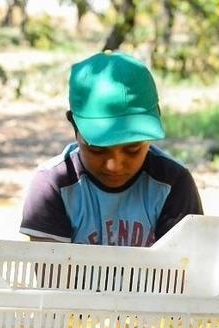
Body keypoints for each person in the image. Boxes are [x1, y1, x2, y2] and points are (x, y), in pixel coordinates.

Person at [19, 51, 203, 247]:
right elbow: (52, 273)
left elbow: (183, 269)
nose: (114, 166)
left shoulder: (173, 184)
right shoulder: (52, 185)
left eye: (132, 149)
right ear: (74, 126)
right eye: (97, 150)